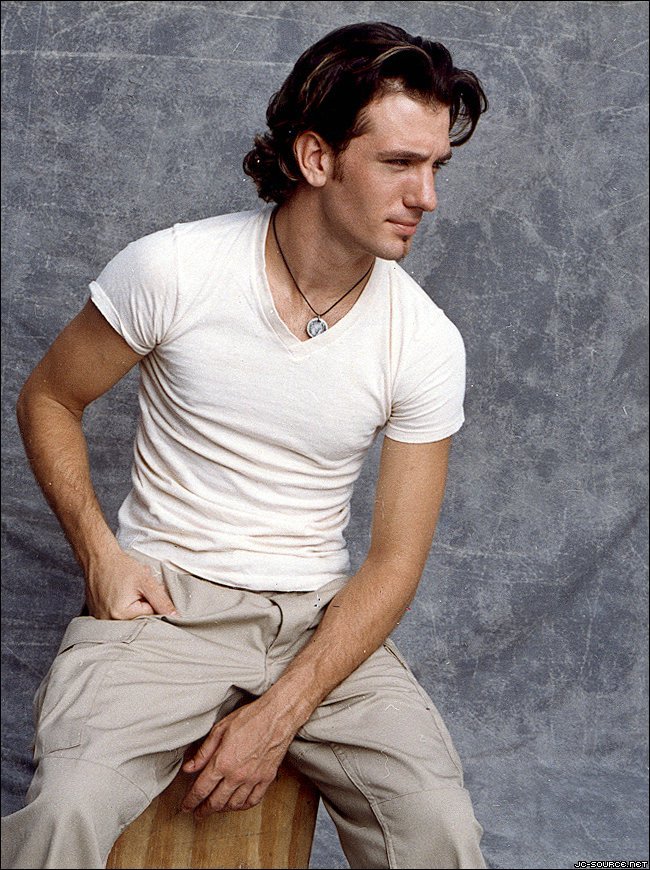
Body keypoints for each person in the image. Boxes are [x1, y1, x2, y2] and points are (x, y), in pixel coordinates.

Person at [2, 20, 488, 870]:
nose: (427, 197)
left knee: (439, 829)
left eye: (437, 167)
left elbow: (394, 563)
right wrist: (101, 556)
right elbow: (48, 397)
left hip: (320, 623)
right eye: (399, 164)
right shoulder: (174, 269)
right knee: (65, 812)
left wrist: (281, 713)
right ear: (316, 157)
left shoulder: (426, 341)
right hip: (169, 611)